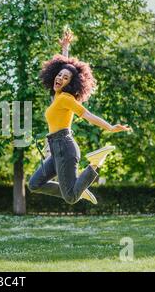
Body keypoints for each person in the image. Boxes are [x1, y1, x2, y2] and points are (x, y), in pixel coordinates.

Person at [28, 29, 132, 205]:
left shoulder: (66, 99)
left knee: (70, 198)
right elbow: (66, 66)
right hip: (56, 149)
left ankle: (94, 164)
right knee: (34, 184)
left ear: (72, 84)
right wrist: (65, 49)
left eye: (65, 78)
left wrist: (110, 127)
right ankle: (79, 187)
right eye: (59, 75)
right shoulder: (56, 97)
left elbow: (88, 115)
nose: (60, 78)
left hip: (64, 147)